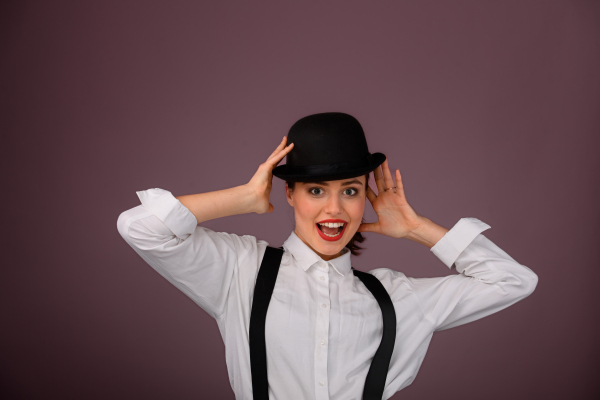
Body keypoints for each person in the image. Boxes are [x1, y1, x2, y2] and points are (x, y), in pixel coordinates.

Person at [117, 112, 538, 400]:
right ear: (289, 194)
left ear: (364, 200)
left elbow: (514, 280)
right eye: (316, 191)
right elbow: (143, 228)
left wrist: (415, 228)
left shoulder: (397, 297)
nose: (334, 210)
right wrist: (244, 198)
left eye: (350, 191)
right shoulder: (240, 271)